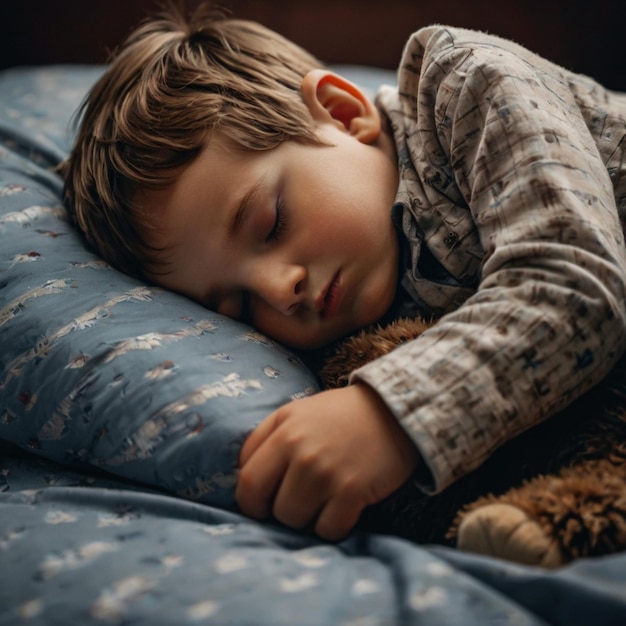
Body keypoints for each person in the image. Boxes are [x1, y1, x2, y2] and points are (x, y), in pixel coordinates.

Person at [61, 2, 626, 542]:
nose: (279, 290)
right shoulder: (362, 308)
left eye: (269, 224)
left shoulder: (466, 87)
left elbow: (575, 281)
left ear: (342, 113)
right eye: (234, 305)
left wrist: (391, 415)